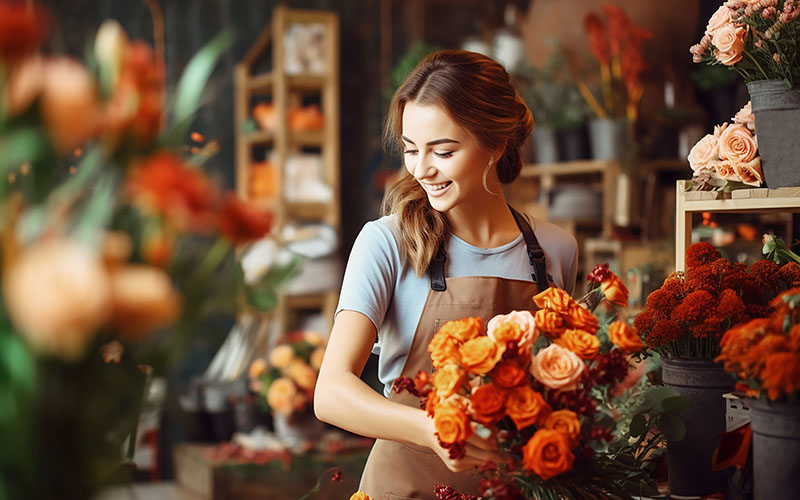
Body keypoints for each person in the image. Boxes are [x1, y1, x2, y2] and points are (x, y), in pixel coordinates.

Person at [314, 49, 578, 499]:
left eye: (443, 151)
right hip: (402, 489)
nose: (421, 169)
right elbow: (331, 393)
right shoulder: (388, 243)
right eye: (412, 150)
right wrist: (431, 429)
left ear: (495, 145)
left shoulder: (555, 249)